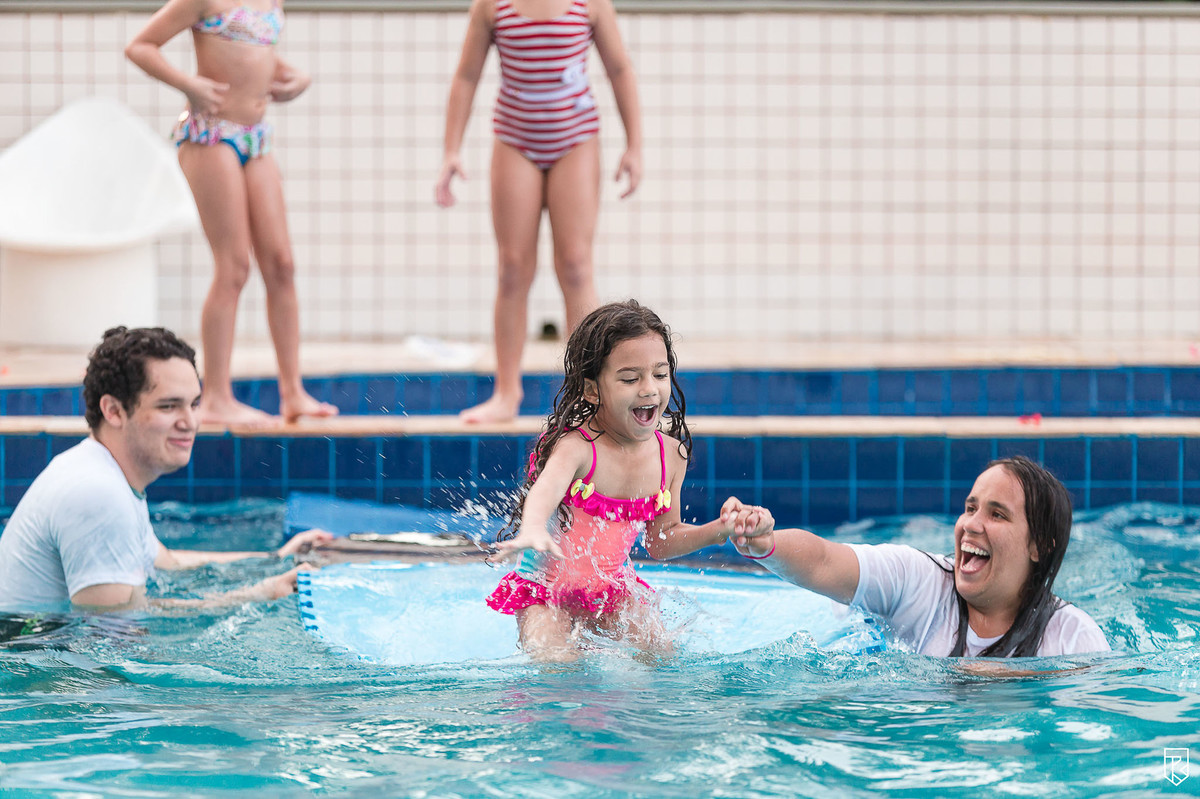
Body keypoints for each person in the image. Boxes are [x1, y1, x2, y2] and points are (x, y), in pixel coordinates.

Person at [0, 327, 331, 612]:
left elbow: (170, 565)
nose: (190, 422)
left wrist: (273, 559)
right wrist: (258, 595)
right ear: (113, 410)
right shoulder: (97, 493)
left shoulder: (107, 475)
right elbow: (113, 632)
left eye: (194, 404)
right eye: (169, 406)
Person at [649, 456, 1110, 658]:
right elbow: (827, 561)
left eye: (997, 514)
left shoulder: (1072, 638)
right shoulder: (921, 580)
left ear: (1038, 546)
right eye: (970, 508)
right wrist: (764, 544)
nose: (971, 524)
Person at [126, 0, 337, 427]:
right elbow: (141, 46)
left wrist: (297, 75)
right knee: (234, 266)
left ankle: (292, 391)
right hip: (211, 135)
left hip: (255, 136)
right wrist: (190, 84)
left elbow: (254, 50)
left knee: (282, 265)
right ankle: (218, 395)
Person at [435, 0, 644, 423]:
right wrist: (451, 150)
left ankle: (589, 393)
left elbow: (619, 69)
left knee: (575, 266)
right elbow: (467, 74)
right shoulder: (493, 6)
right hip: (515, 139)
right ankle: (506, 392)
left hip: (575, 139)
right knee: (513, 269)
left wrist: (634, 145)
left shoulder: (589, 4)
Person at [488, 301, 733, 661]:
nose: (649, 389)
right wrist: (533, 527)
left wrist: (718, 530)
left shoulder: (671, 458)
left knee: (661, 656)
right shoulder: (579, 448)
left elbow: (661, 542)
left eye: (660, 375)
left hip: (609, 593)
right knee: (556, 662)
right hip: (546, 592)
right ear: (592, 390)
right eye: (630, 379)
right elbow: (547, 487)